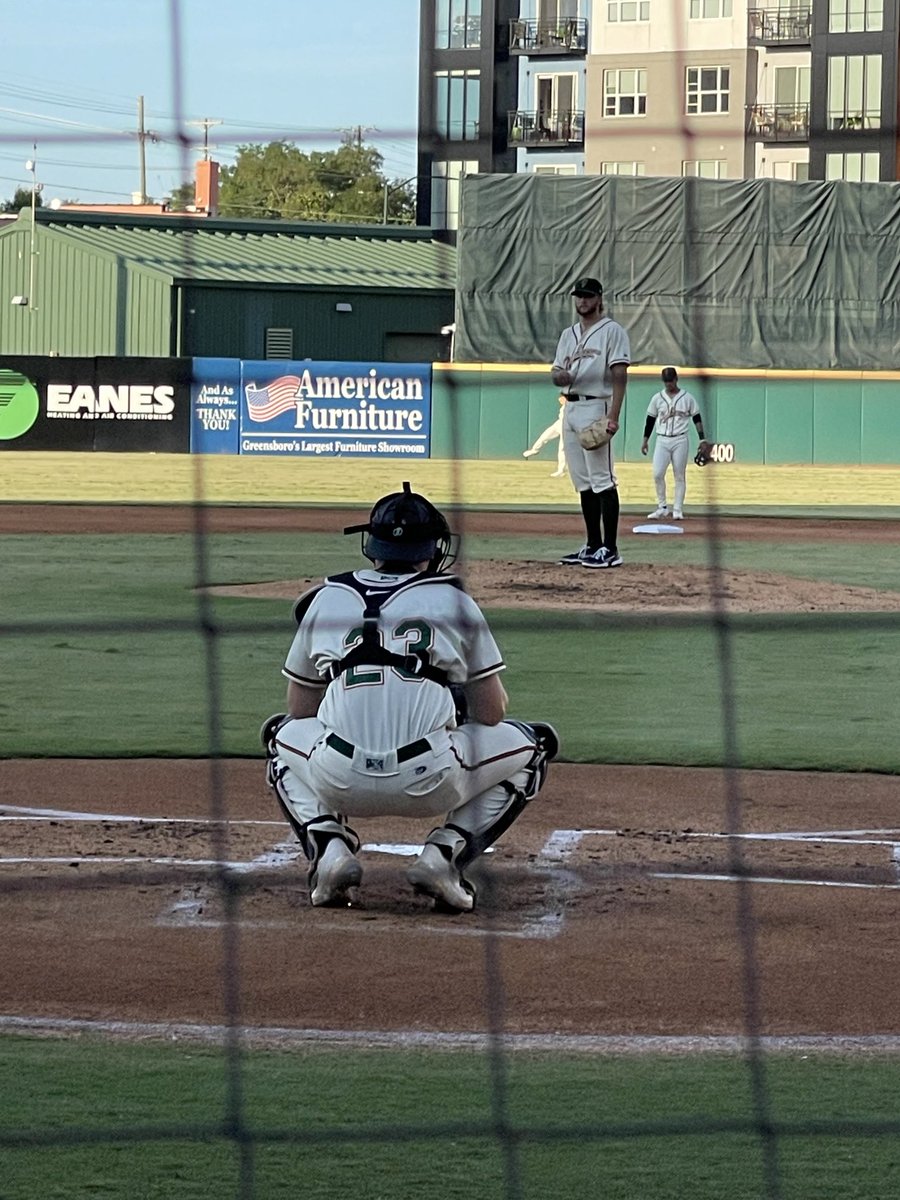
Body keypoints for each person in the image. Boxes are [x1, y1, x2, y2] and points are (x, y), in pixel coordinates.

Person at [261, 483, 559, 914]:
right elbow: (491, 713)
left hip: (337, 776)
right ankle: (444, 856)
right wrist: (446, 695)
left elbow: (300, 709)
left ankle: (328, 850)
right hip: (431, 779)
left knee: (278, 735)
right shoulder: (453, 600)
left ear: (372, 544)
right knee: (536, 743)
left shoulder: (327, 597)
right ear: (433, 547)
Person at [550, 276, 631, 568]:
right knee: (583, 483)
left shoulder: (612, 331)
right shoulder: (568, 334)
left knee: (602, 480)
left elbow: (620, 374)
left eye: (588, 295)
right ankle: (592, 544)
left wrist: (613, 417)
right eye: (579, 296)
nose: (582, 301)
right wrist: (559, 376)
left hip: (597, 405)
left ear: (599, 299)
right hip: (570, 408)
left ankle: (611, 549)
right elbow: (556, 372)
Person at [641, 366, 708, 521]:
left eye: (670, 381)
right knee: (657, 474)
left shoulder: (687, 397)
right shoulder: (657, 398)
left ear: (676, 379)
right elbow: (650, 420)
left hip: (680, 439)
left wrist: (702, 439)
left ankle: (677, 509)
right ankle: (662, 507)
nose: (668, 384)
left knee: (679, 475)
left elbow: (697, 418)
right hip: (662, 440)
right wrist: (645, 440)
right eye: (666, 381)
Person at [523, 394, 567, 477]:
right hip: (559, 423)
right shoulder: (564, 406)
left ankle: (561, 470)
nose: (560, 400)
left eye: (562, 398)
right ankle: (534, 450)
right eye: (560, 398)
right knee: (544, 437)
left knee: (562, 449)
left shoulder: (573, 405)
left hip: (567, 426)